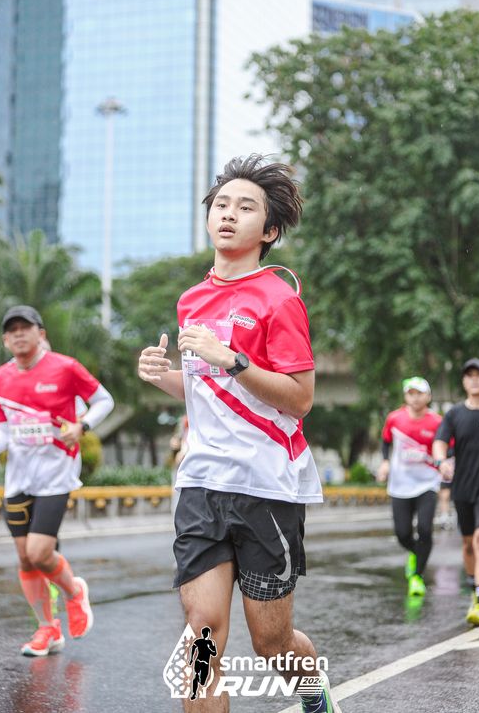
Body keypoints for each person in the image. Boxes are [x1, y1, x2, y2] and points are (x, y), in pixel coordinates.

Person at [139, 155, 342, 713]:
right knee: (201, 632)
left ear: (269, 230)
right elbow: (208, 393)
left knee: (272, 643)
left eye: (245, 207)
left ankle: (313, 694)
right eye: (222, 204)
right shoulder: (191, 299)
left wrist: (230, 358)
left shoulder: (279, 299)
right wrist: (166, 377)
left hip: (267, 486)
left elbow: (299, 398)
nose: (229, 214)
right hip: (202, 481)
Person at [0, 305, 114, 656]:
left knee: (39, 552)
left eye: (25, 327)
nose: (18, 334)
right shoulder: (0, 379)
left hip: (56, 474)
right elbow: (1, 431)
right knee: (25, 559)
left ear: (40, 333)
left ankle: (74, 591)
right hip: (19, 478)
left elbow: (104, 400)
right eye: (11, 329)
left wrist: (82, 426)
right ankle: (47, 628)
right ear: (5, 339)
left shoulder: (65, 367)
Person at [433, 358, 479, 627]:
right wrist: (441, 461)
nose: (475, 379)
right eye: (469, 375)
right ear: (464, 381)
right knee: (468, 544)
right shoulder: (455, 413)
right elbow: (439, 442)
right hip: (464, 487)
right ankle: (474, 587)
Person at [377, 377, 443, 597]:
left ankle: (417, 576)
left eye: (419, 393)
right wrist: (385, 462)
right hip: (400, 484)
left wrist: (444, 464)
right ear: (406, 396)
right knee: (403, 534)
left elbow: (447, 448)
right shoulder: (394, 418)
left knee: (425, 529)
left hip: (427, 484)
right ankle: (417, 553)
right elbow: (386, 442)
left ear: (428, 396)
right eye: (410, 393)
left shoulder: (437, 422)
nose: (415, 398)